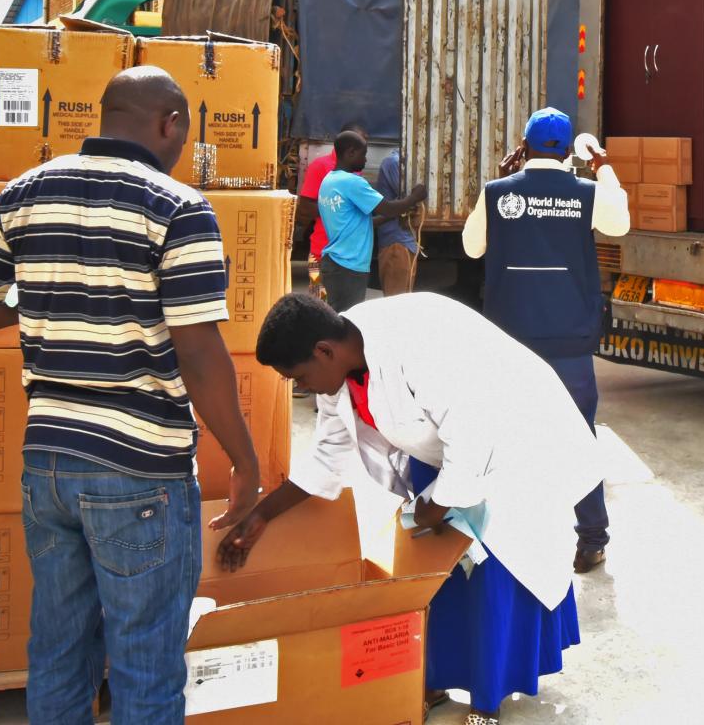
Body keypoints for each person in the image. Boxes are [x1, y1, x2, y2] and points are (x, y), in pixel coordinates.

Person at [0, 66, 260, 724]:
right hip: (141, 473)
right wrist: (246, 462)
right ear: (169, 123)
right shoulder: (177, 207)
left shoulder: (26, 192)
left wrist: (37, 303)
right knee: (145, 667)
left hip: (49, 467)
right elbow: (199, 353)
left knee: (59, 652)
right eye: (182, 133)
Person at [217, 292, 600, 725]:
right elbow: (328, 453)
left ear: (324, 351)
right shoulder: (340, 362)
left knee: (493, 574)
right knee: (436, 575)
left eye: (300, 378)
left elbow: (474, 435)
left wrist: (436, 506)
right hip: (445, 451)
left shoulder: (417, 341)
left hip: (512, 443)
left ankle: (487, 700)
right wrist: (262, 514)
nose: (302, 389)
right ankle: (435, 673)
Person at [463, 108, 629, 574]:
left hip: (510, 345)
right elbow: (620, 226)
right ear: (569, 151)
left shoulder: (498, 193)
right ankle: (591, 540)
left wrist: (497, 183)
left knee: (503, 440)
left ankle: (502, 540)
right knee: (579, 441)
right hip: (570, 344)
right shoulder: (586, 193)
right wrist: (603, 167)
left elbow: (473, 248)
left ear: (523, 146)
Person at [317, 130, 426, 311]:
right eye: (363, 155)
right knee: (348, 322)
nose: (366, 161)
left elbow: (365, 222)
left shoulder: (329, 180)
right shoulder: (352, 182)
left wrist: (398, 213)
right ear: (350, 152)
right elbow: (388, 208)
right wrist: (414, 197)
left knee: (337, 317)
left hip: (334, 262)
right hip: (349, 266)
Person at [295, 122, 366, 260]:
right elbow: (305, 209)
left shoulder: (356, 170)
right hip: (321, 252)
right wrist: (340, 209)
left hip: (349, 255)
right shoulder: (320, 166)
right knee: (318, 282)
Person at [374, 149, 420, 295]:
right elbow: (410, 197)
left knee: (402, 302)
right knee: (396, 303)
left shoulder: (402, 163)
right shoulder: (394, 163)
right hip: (396, 243)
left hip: (403, 241)